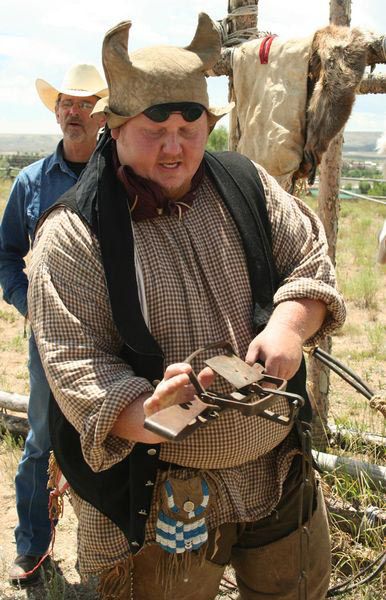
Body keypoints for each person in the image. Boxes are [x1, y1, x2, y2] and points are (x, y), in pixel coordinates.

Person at [28, 15, 346, 600]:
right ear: (115, 128)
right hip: (163, 492)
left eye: (189, 127)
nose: (175, 147)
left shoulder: (246, 182)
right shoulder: (74, 235)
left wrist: (288, 325)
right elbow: (77, 365)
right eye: (156, 130)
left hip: (278, 469)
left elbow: (309, 259)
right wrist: (146, 410)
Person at [0, 63, 107, 585]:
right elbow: (5, 255)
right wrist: (32, 303)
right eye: (65, 102)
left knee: (110, 439)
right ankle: (33, 549)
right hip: (47, 340)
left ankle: (107, 553)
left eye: (84, 102)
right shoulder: (31, 182)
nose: (72, 110)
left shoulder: (119, 177)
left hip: (112, 340)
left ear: (102, 114)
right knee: (41, 441)